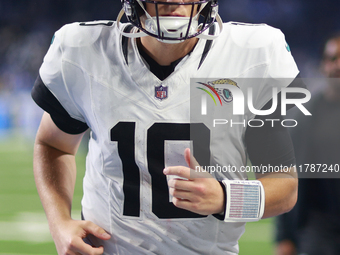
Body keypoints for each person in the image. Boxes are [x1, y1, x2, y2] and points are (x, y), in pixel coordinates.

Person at [32, 0, 299, 254]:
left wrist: (225, 198)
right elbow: (53, 145)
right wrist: (59, 223)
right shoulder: (84, 50)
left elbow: (285, 187)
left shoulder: (252, 56)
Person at [275, 35, 340, 255]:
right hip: (319, 226)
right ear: (323, 65)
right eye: (333, 58)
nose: (338, 65)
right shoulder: (304, 117)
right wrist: (284, 236)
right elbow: (286, 175)